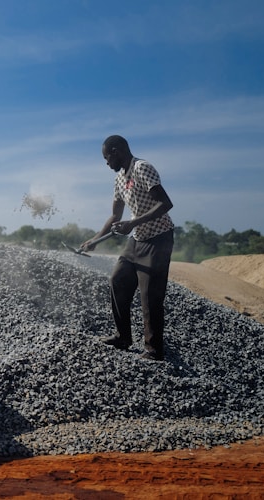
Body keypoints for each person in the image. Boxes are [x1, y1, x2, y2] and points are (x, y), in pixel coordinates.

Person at [82, 135, 174, 361]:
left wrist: (132, 223)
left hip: (158, 239)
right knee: (118, 280)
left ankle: (154, 350)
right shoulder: (119, 180)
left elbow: (165, 204)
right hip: (137, 239)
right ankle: (123, 337)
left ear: (116, 151)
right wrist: (94, 240)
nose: (106, 163)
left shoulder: (143, 168)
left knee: (150, 296)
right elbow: (115, 215)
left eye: (106, 158)